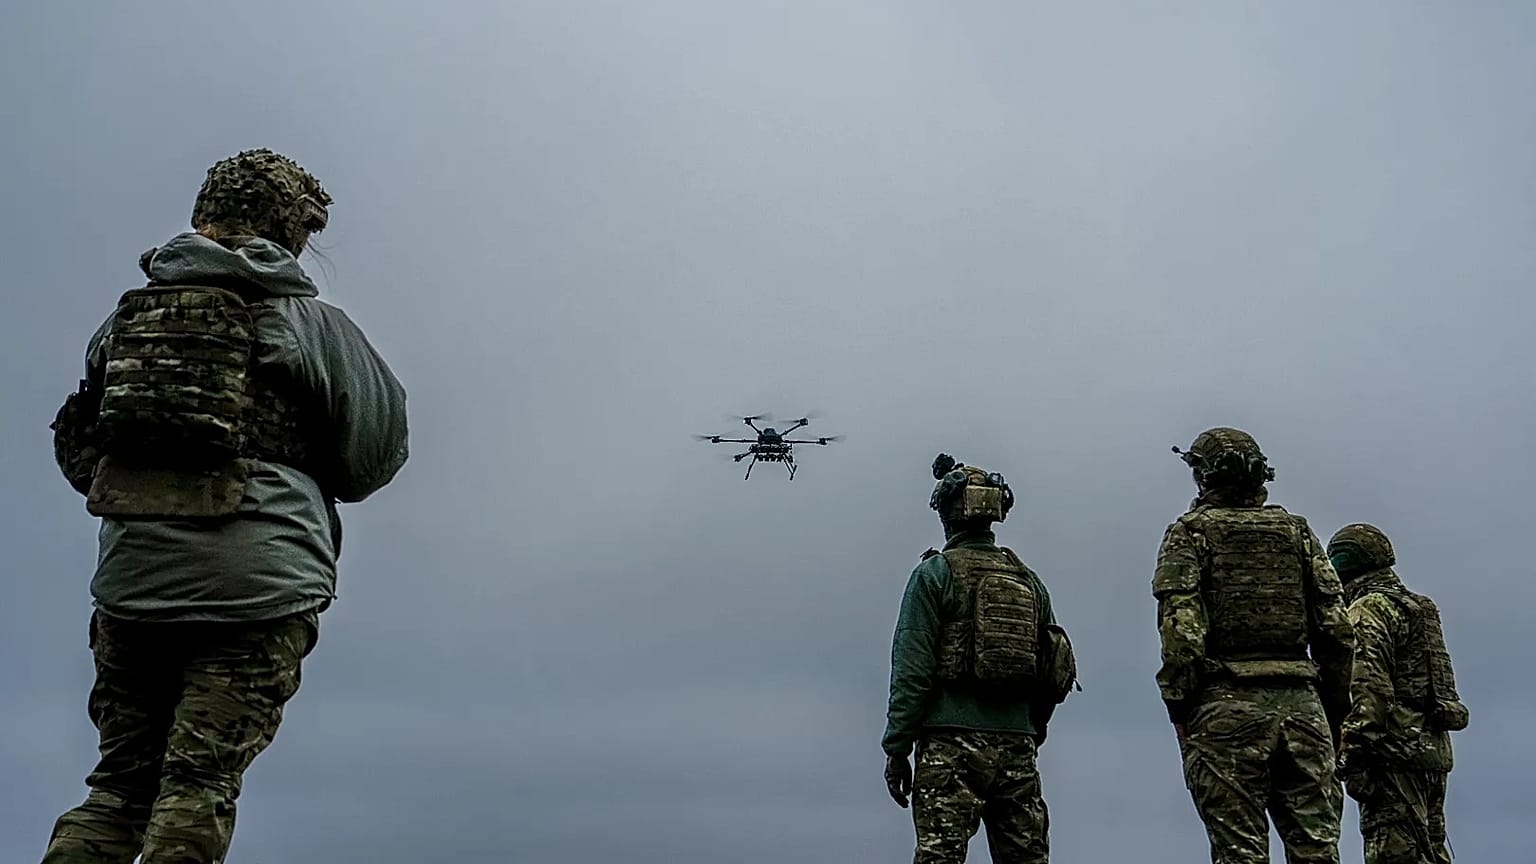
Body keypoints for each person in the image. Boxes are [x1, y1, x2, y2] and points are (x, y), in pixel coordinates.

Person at [42, 148, 409, 864]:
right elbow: (375, 457)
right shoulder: (316, 328)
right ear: (291, 229)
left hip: (132, 583)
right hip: (262, 587)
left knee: (118, 788)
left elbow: (80, 442)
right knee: (198, 784)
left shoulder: (124, 321)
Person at [1152, 427, 1354, 864]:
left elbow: (1182, 637)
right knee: (1318, 853)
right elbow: (1337, 632)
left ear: (1202, 476)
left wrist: (1180, 707)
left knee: (1239, 855)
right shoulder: (1297, 533)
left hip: (1225, 709)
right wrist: (1334, 712)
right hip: (1305, 711)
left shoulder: (1188, 534)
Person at [882, 453, 1078, 864]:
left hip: (948, 747)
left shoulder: (933, 575)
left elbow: (912, 671)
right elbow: (1054, 667)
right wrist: (1028, 731)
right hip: (1017, 747)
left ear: (947, 515)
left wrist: (897, 749)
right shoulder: (1026, 579)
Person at [1327, 523, 1468, 864]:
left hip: (1392, 754)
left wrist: (1352, 751)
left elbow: (1369, 687)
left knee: (1395, 854)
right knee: (1430, 851)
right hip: (1432, 750)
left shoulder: (1368, 610)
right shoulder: (1418, 606)